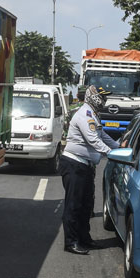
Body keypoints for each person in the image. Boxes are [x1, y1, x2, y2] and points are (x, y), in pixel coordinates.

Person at [59, 85, 119, 255]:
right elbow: (93, 140)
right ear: (93, 97)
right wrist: (111, 154)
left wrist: (118, 147)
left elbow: (103, 135)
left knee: (86, 206)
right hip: (74, 165)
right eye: (103, 97)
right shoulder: (84, 115)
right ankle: (71, 242)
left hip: (85, 166)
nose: (105, 100)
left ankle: (85, 239)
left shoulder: (94, 114)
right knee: (73, 206)